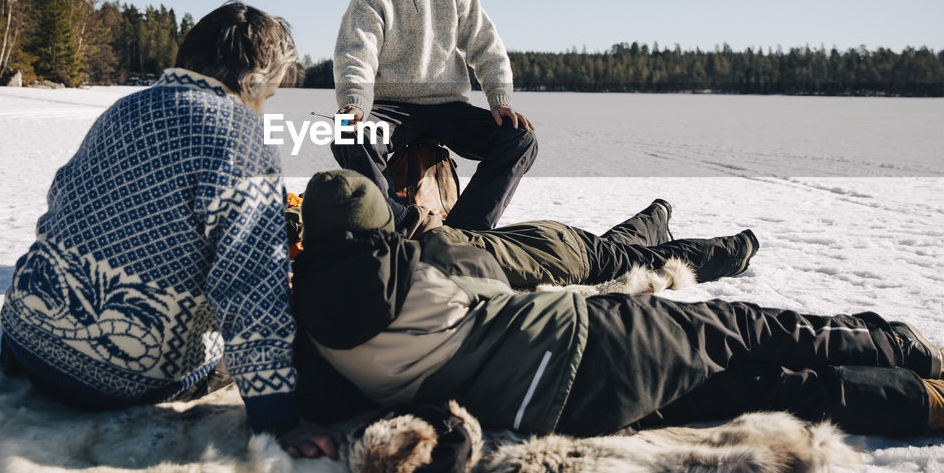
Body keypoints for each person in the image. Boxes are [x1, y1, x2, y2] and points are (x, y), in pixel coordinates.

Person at [289, 170, 944, 441]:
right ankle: (906, 349)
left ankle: (939, 404)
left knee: (762, 394)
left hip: (561, 413)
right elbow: (511, 274)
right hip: (596, 340)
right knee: (751, 331)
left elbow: (312, 398)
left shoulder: (315, 337)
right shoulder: (430, 260)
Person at [0, 1, 340, 459]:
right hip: (120, 377)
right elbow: (252, 285)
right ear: (253, 81)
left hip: (24, 342)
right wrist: (277, 418)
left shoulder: (124, 110)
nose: (264, 109)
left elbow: (62, 202)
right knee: (292, 326)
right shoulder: (242, 140)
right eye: (271, 95)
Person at [331, 0, 537, 232]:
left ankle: (464, 232)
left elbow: (487, 46)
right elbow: (357, 55)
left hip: (448, 106)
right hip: (391, 108)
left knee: (520, 139)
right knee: (345, 136)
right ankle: (399, 223)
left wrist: (500, 101)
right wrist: (355, 103)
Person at [293, 170, 760, 291]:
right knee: (617, 246)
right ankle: (657, 213)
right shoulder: (409, 240)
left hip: (564, 259)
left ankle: (737, 249)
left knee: (652, 264)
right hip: (540, 238)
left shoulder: (415, 272)